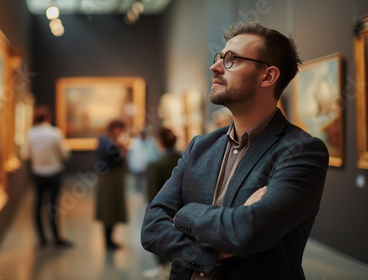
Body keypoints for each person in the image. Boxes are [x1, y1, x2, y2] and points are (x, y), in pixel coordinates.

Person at [141, 21, 329, 280]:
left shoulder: (302, 151)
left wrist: (184, 213)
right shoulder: (200, 147)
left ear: (268, 76)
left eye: (232, 59)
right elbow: (151, 227)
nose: (215, 66)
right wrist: (213, 252)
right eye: (220, 57)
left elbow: (246, 231)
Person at [27, 105, 72, 247]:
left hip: (38, 172)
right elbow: (65, 154)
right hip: (54, 173)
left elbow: (28, 154)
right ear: (48, 118)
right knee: (53, 206)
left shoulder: (30, 134)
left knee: (38, 205)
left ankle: (42, 238)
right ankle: (56, 237)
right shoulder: (55, 133)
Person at [143, 127, 182, 279]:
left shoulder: (155, 164)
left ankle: (162, 267)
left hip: (164, 209)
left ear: (159, 141)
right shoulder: (183, 157)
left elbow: (152, 194)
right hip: (184, 208)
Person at [95, 119, 128, 249]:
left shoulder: (104, 141)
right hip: (110, 180)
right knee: (109, 210)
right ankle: (108, 240)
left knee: (110, 211)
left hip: (110, 179)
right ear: (114, 128)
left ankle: (109, 239)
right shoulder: (109, 144)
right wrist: (122, 148)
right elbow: (119, 160)